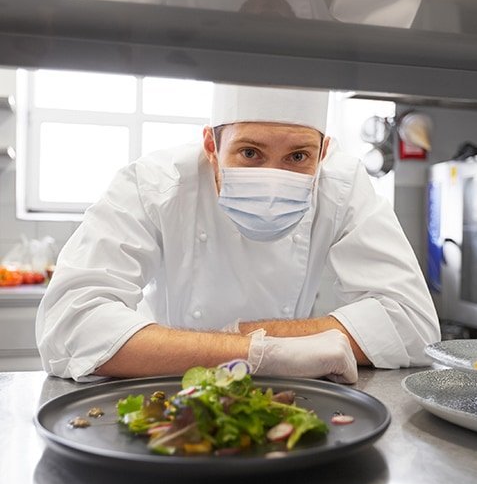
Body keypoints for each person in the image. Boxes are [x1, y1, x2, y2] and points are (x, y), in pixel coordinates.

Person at [36, 83, 440, 383]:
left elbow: (412, 323)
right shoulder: (154, 183)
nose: (273, 178)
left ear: (324, 151)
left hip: (285, 395)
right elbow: (69, 323)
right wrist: (261, 352)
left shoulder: (343, 184)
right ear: (211, 145)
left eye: (298, 156)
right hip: (167, 389)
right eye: (250, 153)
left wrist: (261, 352)